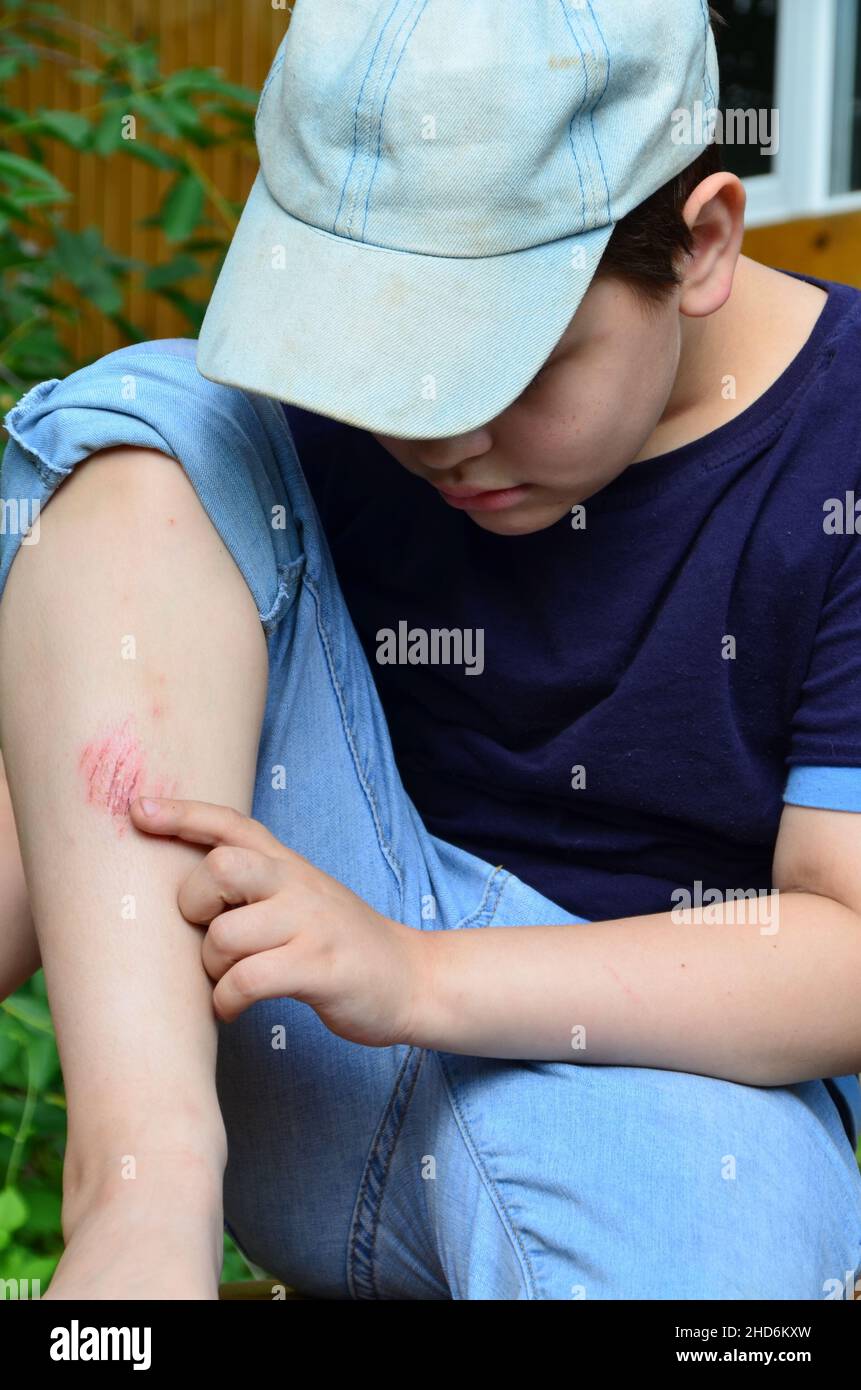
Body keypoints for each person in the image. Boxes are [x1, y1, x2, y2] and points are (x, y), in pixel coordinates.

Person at [1, 0, 861, 1300]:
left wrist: (422, 973)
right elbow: (81, 784)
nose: (438, 436)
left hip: (664, 1099)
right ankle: (139, 1213)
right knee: (155, 435)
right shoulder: (336, 426)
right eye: (383, 366)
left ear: (700, 246)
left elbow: (844, 951)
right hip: (301, 1051)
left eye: (500, 368)